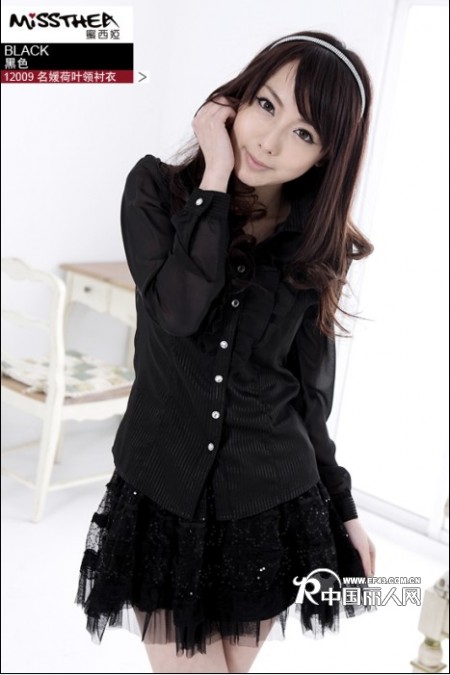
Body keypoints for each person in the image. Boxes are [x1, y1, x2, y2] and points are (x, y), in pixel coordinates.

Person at [76, 29, 377, 674]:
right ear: (236, 99)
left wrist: (345, 509)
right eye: (266, 105)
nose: (269, 141)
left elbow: (308, 396)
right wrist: (214, 176)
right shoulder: (155, 192)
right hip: (162, 494)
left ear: (325, 156)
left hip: (268, 504)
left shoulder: (317, 246)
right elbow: (178, 311)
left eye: (304, 133)